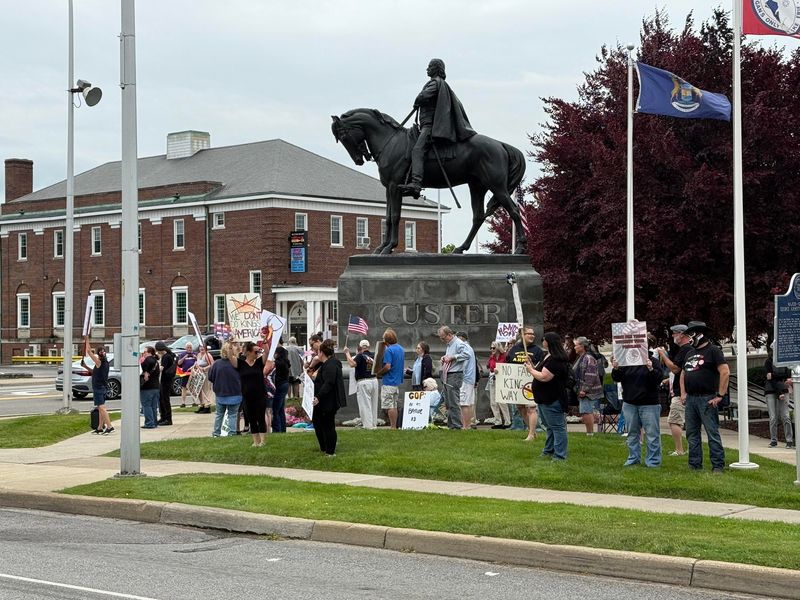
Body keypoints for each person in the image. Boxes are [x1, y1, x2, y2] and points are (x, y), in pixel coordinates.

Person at [399, 58, 476, 199]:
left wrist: (418, 100)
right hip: (426, 126)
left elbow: (423, 96)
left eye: (429, 67)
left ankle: (416, 184)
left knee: (417, 150)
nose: (427, 69)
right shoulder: (440, 84)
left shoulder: (435, 83)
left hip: (430, 127)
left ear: (436, 68)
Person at [680, 321, 729, 473]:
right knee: (691, 433)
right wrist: (683, 393)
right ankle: (694, 464)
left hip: (707, 398)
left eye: (691, 335)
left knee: (712, 433)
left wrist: (720, 395)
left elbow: (725, 371)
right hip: (691, 399)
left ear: (699, 334)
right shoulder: (689, 353)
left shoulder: (713, 351)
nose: (689, 338)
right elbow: (683, 373)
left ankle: (717, 465)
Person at [611, 353, 664, 468]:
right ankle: (633, 458)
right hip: (630, 402)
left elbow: (658, 379)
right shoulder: (626, 361)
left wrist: (650, 369)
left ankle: (653, 461)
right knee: (632, 433)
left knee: (652, 433)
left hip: (650, 403)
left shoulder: (653, 361)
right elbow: (616, 378)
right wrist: (616, 368)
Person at [524, 332, 570, 461]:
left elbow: (544, 377)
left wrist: (530, 370)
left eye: (543, 339)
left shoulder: (555, 359)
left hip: (552, 398)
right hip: (544, 398)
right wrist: (531, 365)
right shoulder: (548, 356)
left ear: (548, 342)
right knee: (550, 427)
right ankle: (548, 450)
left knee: (557, 428)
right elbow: (539, 371)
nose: (542, 341)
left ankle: (560, 455)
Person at [657, 324, 693, 456]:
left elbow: (675, 369)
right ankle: (692, 449)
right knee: (690, 422)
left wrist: (663, 354)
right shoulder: (691, 349)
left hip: (680, 393)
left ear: (682, 335)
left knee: (674, 421)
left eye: (674, 333)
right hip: (687, 391)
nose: (672, 336)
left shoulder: (684, 350)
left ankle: (679, 450)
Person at [505, 326, 543, 440]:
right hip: (517, 383)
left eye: (533, 334)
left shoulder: (537, 350)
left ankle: (531, 434)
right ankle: (532, 431)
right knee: (521, 408)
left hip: (531, 384)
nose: (532, 336)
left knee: (531, 408)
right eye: (529, 333)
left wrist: (531, 363)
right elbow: (508, 365)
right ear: (522, 335)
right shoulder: (514, 349)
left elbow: (541, 368)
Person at [235, 341, 275, 447]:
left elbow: (267, 353)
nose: (256, 354)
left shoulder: (258, 362)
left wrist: (263, 344)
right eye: (254, 351)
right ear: (248, 352)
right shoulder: (241, 363)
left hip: (260, 395)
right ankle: (255, 441)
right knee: (251, 418)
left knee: (260, 417)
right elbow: (230, 357)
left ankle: (263, 441)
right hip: (247, 396)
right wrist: (230, 345)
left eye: (257, 352)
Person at [312, 339, 346, 456]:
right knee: (319, 423)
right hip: (323, 401)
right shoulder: (326, 364)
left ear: (322, 352)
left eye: (318, 352)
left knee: (328, 425)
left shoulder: (331, 364)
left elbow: (329, 383)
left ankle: (330, 451)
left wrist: (319, 396)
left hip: (328, 401)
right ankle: (324, 447)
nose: (317, 354)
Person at [437, 326, 471, 429]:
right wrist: (445, 357)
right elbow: (450, 356)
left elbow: (467, 354)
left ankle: (456, 426)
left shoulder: (458, 343)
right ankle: (451, 425)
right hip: (448, 374)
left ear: (449, 334)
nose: (442, 340)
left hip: (455, 375)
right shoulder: (450, 344)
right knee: (448, 402)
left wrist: (453, 357)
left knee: (453, 401)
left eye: (443, 338)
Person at [207, 341, 242, 438]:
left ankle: (216, 433)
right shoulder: (238, 364)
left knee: (219, 414)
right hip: (235, 393)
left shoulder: (216, 364)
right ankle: (232, 432)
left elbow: (210, 377)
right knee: (232, 415)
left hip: (220, 393)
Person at [343, 340, 379, 429]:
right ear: (369, 346)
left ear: (360, 347)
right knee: (374, 404)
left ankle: (368, 426)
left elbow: (352, 364)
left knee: (365, 405)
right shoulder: (373, 355)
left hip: (363, 381)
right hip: (374, 380)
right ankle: (374, 424)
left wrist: (347, 353)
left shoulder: (360, 355)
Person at [82, 335, 113, 435]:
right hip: (102, 387)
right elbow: (95, 373)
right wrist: (86, 367)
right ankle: (100, 427)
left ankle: (109, 426)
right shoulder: (104, 363)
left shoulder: (99, 362)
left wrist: (87, 340)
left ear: (98, 354)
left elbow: (89, 352)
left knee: (102, 408)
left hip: (99, 388)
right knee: (100, 408)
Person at [573, 336, 604, 436]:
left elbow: (590, 375)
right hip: (581, 389)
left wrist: (584, 390)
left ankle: (590, 433)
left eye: (576, 345)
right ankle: (589, 433)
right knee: (584, 411)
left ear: (582, 346)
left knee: (586, 411)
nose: (574, 347)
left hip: (588, 391)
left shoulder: (588, 358)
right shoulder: (581, 358)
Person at [764, 349, 795, 448]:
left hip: (783, 390)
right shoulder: (768, 362)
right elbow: (770, 380)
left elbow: (787, 375)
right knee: (773, 417)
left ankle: (789, 440)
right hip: (771, 390)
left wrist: (774, 375)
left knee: (786, 416)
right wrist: (779, 392)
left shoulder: (784, 362)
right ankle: (773, 440)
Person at [376, 328, 405, 429]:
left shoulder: (389, 350)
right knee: (394, 404)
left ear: (386, 340)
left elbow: (388, 366)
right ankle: (394, 426)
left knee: (389, 406)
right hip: (396, 381)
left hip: (388, 380)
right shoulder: (401, 349)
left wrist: (378, 373)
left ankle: (393, 427)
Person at [456, 332, 479, 429]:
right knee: (469, 403)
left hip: (465, 379)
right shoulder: (470, 348)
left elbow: (463, 365)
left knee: (464, 403)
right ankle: (468, 425)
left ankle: (465, 426)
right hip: (470, 379)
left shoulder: (464, 348)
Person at [487, 341, 510, 429]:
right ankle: (498, 421)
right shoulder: (491, 357)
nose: (492, 350)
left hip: (502, 380)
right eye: (491, 348)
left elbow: (508, 367)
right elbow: (489, 366)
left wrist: (499, 370)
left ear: (498, 348)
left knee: (502, 402)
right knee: (493, 402)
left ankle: (507, 421)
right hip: (493, 379)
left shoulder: (504, 356)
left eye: (493, 348)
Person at [155, 341, 176, 426]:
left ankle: (167, 418)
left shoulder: (165, 357)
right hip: (167, 380)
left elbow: (161, 368)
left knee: (165, 399)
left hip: (166, 380)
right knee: (162, 399)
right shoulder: (169, 355)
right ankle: (163, 417)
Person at [139, 345, 160, 429]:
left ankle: (149, 423)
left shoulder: (147, 360)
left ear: (149, 353)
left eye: (145, 352)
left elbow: (142, 369)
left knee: (146, 405)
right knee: (154, 406)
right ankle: (154, 422)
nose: (143, 354)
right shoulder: (156, 361)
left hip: (147, 387)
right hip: (155, 387)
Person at [271, 346, 291, 433]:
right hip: (285, 384)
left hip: (279, 385)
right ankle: (282, 429)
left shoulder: (277, 363)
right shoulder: (286, 362)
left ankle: (277, 430)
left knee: (275, 409)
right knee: (281, 409)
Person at [193, 345, 215, 414]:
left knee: (206, 390)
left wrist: (204, 368)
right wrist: (194, 367)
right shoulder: (198, 355)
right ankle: (202, 405)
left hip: (206, 374)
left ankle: (207, 406)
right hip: (199, 375)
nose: (201, 348)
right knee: (199, 390)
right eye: (200, 347)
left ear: (205, 348)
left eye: (203, 347)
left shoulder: (208, 355)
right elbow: (196, 363)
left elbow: (212, 364)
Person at [177, 342, 197, 408]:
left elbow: (199, 362)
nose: (189, 349)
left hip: (193, 373)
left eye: (190, 347)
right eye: (188, 347)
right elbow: (179, 363)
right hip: (185, 373)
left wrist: (195, 357)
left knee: (193, 387)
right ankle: (183, 402)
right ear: (185, 348)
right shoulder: (182, 354)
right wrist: (184, 357)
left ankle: (194, 401)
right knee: (184, 387)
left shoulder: (195, 354)